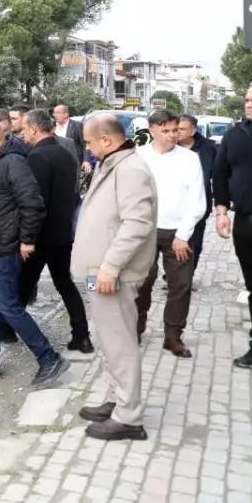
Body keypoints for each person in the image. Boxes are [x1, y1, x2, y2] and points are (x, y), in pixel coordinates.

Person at [0, 117, 69, 387]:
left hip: (2, 248)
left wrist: (27, 240)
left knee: (8, 306)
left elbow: (33, 204)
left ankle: (49, 358)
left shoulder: (14, 163)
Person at [73, 114, 157, 440]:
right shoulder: (113, 164)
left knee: (119, 342)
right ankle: (116, 399)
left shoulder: (131, 170)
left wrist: (110, 267)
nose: (89, 149)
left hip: (113, 275)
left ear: (107, 141)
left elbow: (137, 224)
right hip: (101, 274)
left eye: (91, 143)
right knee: (107, 338)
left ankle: (129, 416)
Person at [131, 109, 204, 358]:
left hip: (179, 234)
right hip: (145, 231)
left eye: (175, 130)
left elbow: (197, 201)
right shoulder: (139, 157)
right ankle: (135, 329)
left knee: (180, 286)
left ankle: (173, 336)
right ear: (152, 131)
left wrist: (183, 235)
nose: (172, 135)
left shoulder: (190, 159)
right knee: (141, 283)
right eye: (166, 130)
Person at [18, 109, 93, 353]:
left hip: (42, 236)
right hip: (63, 233)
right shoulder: (64, 152)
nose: (23, 133)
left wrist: (28, 237)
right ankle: (81, 335)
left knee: (21, 285)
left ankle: (4, 329)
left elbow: (35, 201)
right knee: (64, 283)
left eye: (24, 128)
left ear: (33, 128)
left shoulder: (37, 156)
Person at [213, 83, 252, 369]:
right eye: (248, 100)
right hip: (246, 224)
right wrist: (221, 211)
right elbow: (220, 174)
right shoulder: (233, 136)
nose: (249, 104)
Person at [177, 114, 216, 275]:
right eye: (176, 128)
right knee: (172, 239)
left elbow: (219, 175)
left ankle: (187, 273)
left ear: (193, 131)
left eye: (182, 129)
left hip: (198, 202)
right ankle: (174, 272)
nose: (177, 132)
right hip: (173, 203)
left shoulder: (209, 148)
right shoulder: (169, 146)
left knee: (195, 241)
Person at [53, 104, 90, 174]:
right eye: (54, 113)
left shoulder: (77, 126)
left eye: (57, 113)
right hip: (56, 162)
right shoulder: (52, 126)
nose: (55, 115)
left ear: (66, 114)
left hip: (73, 162)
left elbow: (85, 144)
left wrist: (86, 160)